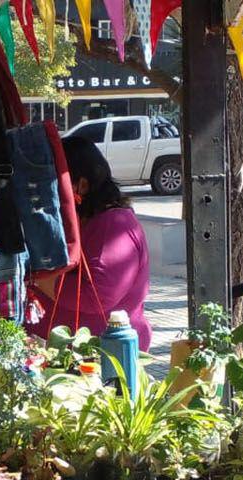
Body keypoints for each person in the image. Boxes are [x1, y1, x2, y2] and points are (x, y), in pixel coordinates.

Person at [28, 135, 153, 349]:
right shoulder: (84, 221)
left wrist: (34, 277)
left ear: (81, 185)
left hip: (104, 358)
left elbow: (95, 297)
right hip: (68, 353)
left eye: (52, 183)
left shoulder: (114, 224)